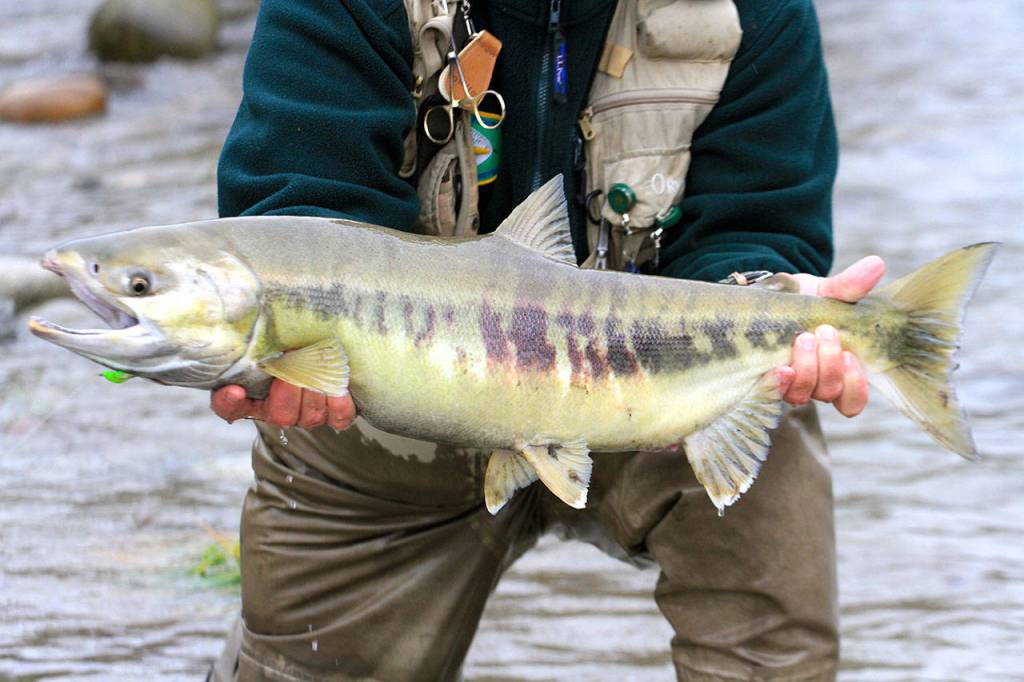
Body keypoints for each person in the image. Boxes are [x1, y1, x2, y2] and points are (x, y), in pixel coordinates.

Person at [207, 0, 883, 679]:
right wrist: (282, 342)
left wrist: (771, 297)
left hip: (647, 390)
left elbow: (755, 223)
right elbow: (295, 215)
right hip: (383, 409)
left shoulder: (754, 11)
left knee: (773, 409)